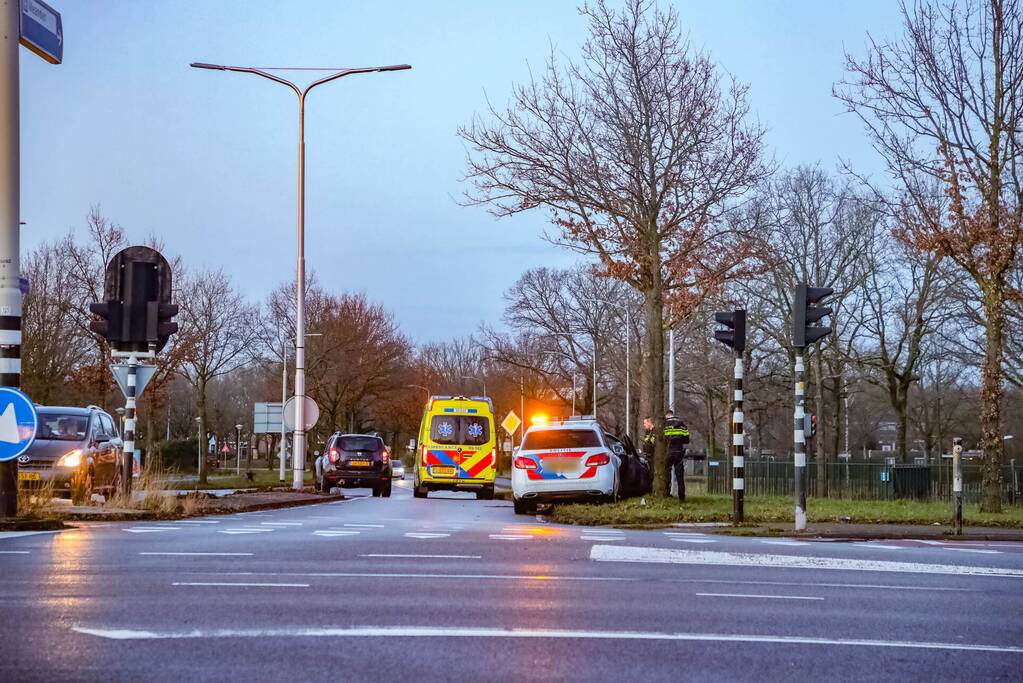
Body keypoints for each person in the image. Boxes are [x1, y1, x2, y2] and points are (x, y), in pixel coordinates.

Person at [662, 410, 691, 502]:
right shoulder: (682, 424)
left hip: (668, 452)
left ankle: (666, 493)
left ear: (667, 416)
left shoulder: (664, 424)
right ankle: (681, 497)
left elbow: (662, 440)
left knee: (666, 472)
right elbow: (687, 440)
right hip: (679, 452)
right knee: (680, 476)